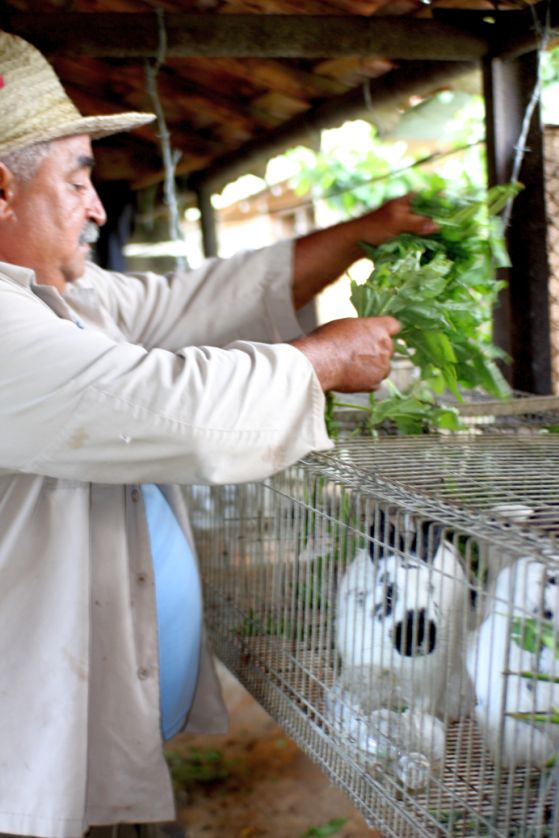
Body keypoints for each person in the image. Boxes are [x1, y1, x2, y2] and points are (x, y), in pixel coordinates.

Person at [0, 29, 438, 838]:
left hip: (84, 697)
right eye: (79, 180)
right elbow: (158, 403)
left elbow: (176, 308)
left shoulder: (52, 296)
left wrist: (357, 234)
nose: (97, 206)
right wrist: (317, 365)